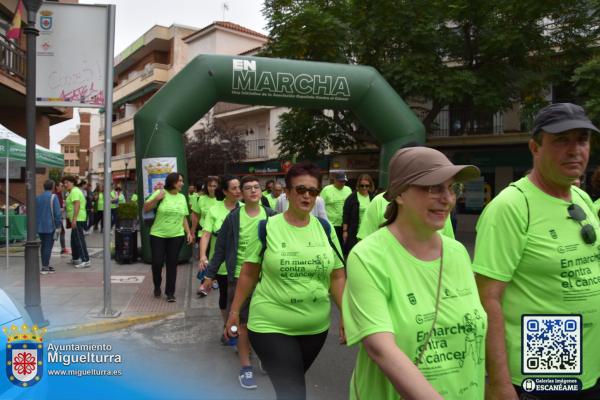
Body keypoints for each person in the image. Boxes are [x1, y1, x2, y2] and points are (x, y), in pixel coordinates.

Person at [473, 103, 600, 399]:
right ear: (535, 147)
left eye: (582, 140)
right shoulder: (511, 206)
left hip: (591, 364)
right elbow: (487, 298)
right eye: (561, 140)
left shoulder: (581, 197)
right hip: (544, 363)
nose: (574, 150)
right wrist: (499, 383)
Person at [343, 147, 486, 399]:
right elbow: (381, 350)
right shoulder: (367, 257)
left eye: (452, 188)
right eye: (433, 187)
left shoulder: (458, 254)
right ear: (399, 194)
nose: (447, 198)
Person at [225, 162, 346, 400]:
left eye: (313, 191)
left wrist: (345, 314)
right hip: (270, 324)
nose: (307, 195)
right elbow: (248, 273)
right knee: (293, 391)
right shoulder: (267, 227)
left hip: (316, 327)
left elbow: (337, 275)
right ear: (288, 193)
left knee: (290, 385)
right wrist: (235, 312)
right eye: (301, 189)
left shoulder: (325, 228)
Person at [203, 175, 276, 390]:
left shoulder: (272, 216)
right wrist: (209, 275)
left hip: (267, 278)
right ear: (241, 194)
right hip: (239, 277)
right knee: (242, 325)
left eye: (256, 187)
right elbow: (220, 249)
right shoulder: (234, 217)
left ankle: (263, 356)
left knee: (265, 324)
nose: (253, 190)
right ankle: (246, 368)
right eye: (248, 188)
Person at [143, 172, 194, 302]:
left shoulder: (182, 197)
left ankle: (170, 293)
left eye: (182, 181)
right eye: (180, 181)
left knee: (172, 264)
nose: (182, 183)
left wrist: (188, 232)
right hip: (157, 235)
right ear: (172, 182)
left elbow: (183, 217)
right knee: (157, 263)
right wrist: (156, 199)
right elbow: (146, 208)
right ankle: (157, 285)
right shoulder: (161, 193)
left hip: (176, 236)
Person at [198, 175, 241, 312]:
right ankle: (226, 326)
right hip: (221, 262)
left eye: (239, 187)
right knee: (225, 295)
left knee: (242, 298)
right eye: (234, 188)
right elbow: (206, 234)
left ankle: (239, 327)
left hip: (243, 263)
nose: (238, 191)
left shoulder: (246, 208)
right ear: (225, 191)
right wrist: (202, 255)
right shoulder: (214, 209)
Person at [342, 174, 375, 257]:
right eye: (362, 185)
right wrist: (345, 231)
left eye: (367, 186)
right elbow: (346, 214)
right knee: (354, 254)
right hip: (354, 231)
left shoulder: (372, 197)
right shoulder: (352, 198)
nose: (364, 188)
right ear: (358, 185)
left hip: (369, 232)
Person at [62, 176, 90, 268]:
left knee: (79, 239)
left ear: (72, 182)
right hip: (77, 218)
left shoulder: (74, 191)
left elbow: (77, 205)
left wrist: (74, 219)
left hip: (78, 219)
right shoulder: (72, 191)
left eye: (67, 182)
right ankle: (76, 258)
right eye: (64, 183)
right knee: (74, 240)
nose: (65, 185)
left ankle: (85, 260)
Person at [36, 180, 62, 274]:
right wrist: (59, 225)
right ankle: (45, 266)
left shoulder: (38, 198)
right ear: (53, 187)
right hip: (50, 226)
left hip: (39, 226)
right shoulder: (53, 197)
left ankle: (45, 264)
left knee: (43, 245)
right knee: (48, 246)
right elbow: (57, 213)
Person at [320, 171, 352, 242]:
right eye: (340, 181)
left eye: (344, 181)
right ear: (335, 180)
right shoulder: (326, 190)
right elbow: (320, 205)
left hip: (344, 224)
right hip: (331, 223)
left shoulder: (348, 190)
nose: (342, 183)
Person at [54, 181, 69, 255]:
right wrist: (62, 208)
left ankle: (63, 249)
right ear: (57, 187)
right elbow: (55, 207)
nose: (63, 187)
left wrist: (64, 204)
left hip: (59, 217)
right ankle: (63, 249)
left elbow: (61, 203)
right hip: (56, 218)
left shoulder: (60, 194)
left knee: (60, 232)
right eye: (61, 186)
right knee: (58, 232)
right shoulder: (55, 195)